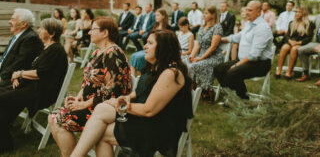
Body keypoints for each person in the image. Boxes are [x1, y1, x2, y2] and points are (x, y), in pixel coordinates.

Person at [69, 29, 193, 157]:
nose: (145, 46)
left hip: (159, 128)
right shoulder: (157, 68)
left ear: (163, 48)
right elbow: (141, 91)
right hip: (146, 119)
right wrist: (126, 97)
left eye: (150, 43)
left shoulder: (171, 74)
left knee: (99, 133)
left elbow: (148, 110)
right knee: (101, 109)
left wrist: (118, 103)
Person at [49, 17, 131, 157]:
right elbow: (89, 79)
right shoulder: (97, 52)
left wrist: (84, 104)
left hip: (107, 107)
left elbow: (112, 89)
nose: (89, 32)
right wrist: (79, 96)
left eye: (93, 29)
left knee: (59, 120)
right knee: (52, 117)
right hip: (92, 103)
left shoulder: (112, 53)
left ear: (105, 33)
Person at [0, 18, 67, 152]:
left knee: (2, 99)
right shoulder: (46, 48)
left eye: (41, 28)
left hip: (42, 92)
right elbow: (34, 70)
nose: (38, 30)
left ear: (52, 33)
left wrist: (19, 74)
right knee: (3, 92)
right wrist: (19, 77)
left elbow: (40, 73)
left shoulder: (56, 50)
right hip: (33, 87)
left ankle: (5, 144)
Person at [214, 1, 274, 99]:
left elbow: (254, 55)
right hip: (245, 60)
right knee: (218, 69)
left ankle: (243, 99)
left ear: (258, 12)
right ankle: (233, 95)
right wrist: (220, 39)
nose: (246, 12)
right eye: (246, 9)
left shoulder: (262, 28)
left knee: (232, 73)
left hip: (260, 64)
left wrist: (237, 65)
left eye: (250, 10)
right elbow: (237, 37)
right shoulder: (249, 24)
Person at [0, 8, 43, 89]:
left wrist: (2, 77)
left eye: (13, 20)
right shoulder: (18, 37)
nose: (9, 22)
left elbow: (21, 63)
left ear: (23, 24)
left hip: (14, 79)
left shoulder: (31, 39)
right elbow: (7, 59)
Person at [183, 6, 224, 92]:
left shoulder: (217, 27)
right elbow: (197, 45)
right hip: (200, 55)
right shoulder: (202, 27)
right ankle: (188, 88)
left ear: (213, 15)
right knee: (184, 61)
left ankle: (199, 90)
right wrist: (191, 56)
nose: (203, 15)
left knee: (192, 66)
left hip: (213, 57)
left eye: (206, 13)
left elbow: (213, 47)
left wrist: (200, 58)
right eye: (203, 13)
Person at [275, 7, 314, 79]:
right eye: (296, 12)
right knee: (284, 48)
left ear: (304, 13)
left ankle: (289, 72)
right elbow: (287, 35)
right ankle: (279, 71)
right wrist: (290, 41)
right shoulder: (292, 23)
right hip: (291, 41)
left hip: (302, 43)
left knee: (294, 49)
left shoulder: (309, 24)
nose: (296, 13)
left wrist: (298, 43)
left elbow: (309, 38)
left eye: (299, 12)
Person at [130, 8, 171, 76]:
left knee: (139, 57)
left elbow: (169, 42)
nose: (156, 17)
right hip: (151, 48)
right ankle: (133, 77)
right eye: (155, 16)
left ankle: (142, 75)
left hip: (160, 51)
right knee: (133, 56)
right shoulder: (155, 26)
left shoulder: (168, 28)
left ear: (163, 16)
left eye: (158, 15)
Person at [296, 14, 320, 83]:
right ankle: (306, 74)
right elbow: (311, 26)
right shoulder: (318, 17)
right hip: (317, 43)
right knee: (301, 50)